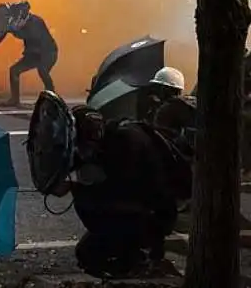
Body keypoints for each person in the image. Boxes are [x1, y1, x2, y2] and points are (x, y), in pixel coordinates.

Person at [49, 106, 187, 277]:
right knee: (88, 252)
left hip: (151, 213)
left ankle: (142, 262)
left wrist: (74, 188)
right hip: (144, 208)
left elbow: (120, 193)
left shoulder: (126, 144)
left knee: (90, 253)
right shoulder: (110, 136)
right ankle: (136, 258)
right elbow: (80, 157)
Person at [1, 1, 58, 106]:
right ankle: (14, 100)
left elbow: (27, 35)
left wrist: (13, 30)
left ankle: (53, 97)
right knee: (14, 70)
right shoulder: (21, 21)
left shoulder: (36, 21)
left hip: (48, 52)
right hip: (33, 54)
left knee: (42, 70)